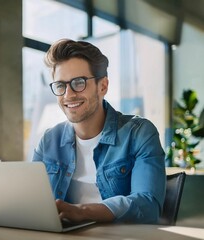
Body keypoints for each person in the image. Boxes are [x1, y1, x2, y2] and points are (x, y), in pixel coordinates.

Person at [33, 39, 166, 224]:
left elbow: (148, 205)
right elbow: (33, 204)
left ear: (102, 86)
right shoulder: (48, 141)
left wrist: (83, 211)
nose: (68, 95)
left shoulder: (139, 133)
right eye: (61, 85)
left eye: (78, 83)